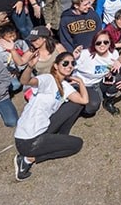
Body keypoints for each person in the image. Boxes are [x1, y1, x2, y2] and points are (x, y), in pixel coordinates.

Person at [13, 52, 89, 181]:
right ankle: (27, 159)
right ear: (55, 66)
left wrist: (81, 82)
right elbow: (25, 81)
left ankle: (60, 137)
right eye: (65, 63)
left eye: (72, 63)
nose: (69, 66)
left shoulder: (64, 85)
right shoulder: (48, 79)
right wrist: (30, 67)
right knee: (77, 144)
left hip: (43, 128)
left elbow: (84, 100)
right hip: (28, 140)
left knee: (76, 105)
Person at [71, 30, 119, 116]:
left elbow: (113, 67)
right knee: (92, 107)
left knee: (118, 78)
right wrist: (73, 58)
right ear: (94, 43)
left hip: (98, 82)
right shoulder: (85, 54)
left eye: (105, 42)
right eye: (98, 43)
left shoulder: (114, 54)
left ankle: (108, 101)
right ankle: (77, 105)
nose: (102, 45)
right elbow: (67, 68)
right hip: (82, 84)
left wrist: (112, 72)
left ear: (110, 42)